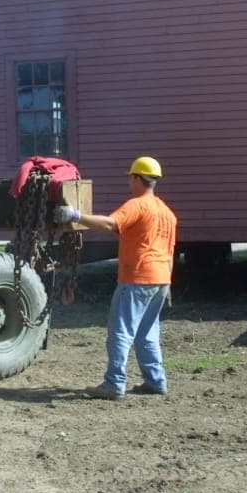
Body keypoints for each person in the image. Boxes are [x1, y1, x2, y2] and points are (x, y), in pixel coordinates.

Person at [56, 156, 178, 400]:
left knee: (120, 331)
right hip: (161, 279)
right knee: (147, 333)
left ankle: (114, 383)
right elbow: (171, 249)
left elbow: (111, 223)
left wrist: (75, 215)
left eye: (130, 178)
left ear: (137, 178)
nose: (129, 183)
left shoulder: (137, 205)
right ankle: (155, 381)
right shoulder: (167, 212)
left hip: (137, 278)